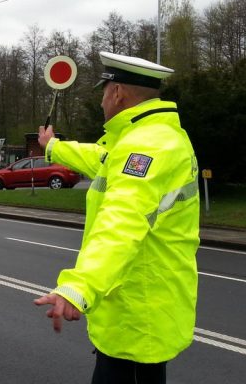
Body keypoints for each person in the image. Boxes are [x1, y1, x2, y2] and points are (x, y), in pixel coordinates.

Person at [34, 51, 200, 384]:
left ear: (117, 93)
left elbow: (122, 221)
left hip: (138, 314)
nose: (101, 102)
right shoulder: (149, 137)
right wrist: (53, 147)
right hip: (138, 308)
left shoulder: (147, 146)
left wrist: (78, 287)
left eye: (103, 92)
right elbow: (102, 158)